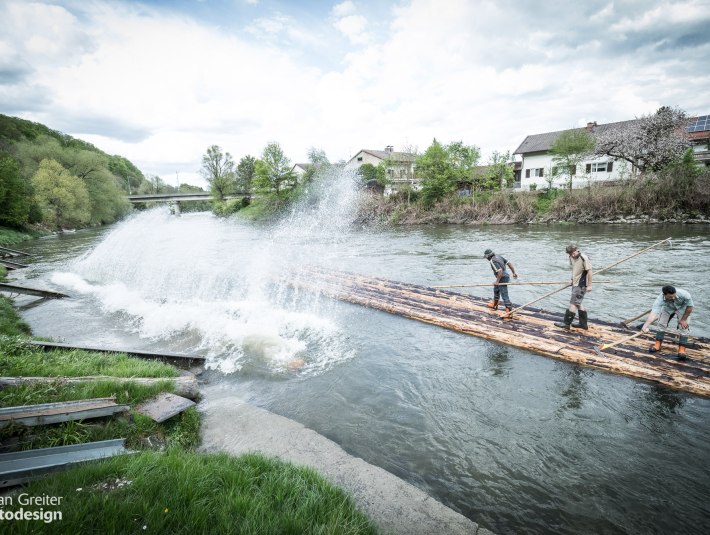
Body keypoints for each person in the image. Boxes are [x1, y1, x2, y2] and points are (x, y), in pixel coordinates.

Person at [641, 285, 694, 360]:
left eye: (674, 296)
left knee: (683, 327)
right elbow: (653, 314)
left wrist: (683, 319)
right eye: (670, 297)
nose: (673, 298)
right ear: (664, 295)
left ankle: (682, 350)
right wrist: (645, 326)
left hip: (683, 308)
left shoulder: (685, 295)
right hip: (668, 308)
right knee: (661, 323)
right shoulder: (659, 300)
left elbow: (690, 307)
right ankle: (657, 345)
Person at [554, 244, 593, 330]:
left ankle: (566, 323)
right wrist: (572, 280)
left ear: (576, 250)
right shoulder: (571, 258)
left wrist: (590, 285)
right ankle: (583, 324)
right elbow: (575, 269)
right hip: (575, 283)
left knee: (573, 303)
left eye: (572, 253)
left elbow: (589, 272)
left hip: (581, 285)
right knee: (578, 303)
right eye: (569, 254)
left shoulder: (584, 258)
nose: (572, 255)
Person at [483, 248, 518, 316]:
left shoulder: (492, 261)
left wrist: (497, 281)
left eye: (486, 257)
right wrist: (514, 273)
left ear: (488, 256)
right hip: (505, 276)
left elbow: (500, 271)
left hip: (502, 277)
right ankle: (495, 305)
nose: (486, 259)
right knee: (496, 288)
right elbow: (509, 263)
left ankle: (509, 313)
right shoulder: (499, 256)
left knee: (504, 294)